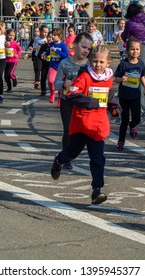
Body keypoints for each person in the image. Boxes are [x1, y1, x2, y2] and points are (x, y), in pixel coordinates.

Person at [50, 45, 120, 205]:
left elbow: (109, 96)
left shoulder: (109, 78)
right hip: (81, 124)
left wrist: (114, 107)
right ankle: (59, 161)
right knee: (71, 153)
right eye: (95, 61)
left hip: (98, 126)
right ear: (90, 61)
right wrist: (89, 101)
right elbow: (71, 95)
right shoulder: (85, 76)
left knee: (98, 159)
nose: (98, 65)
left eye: (101, 62)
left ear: (108, 63)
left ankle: (97, 191)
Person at [54, 32, 94, 169]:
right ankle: (66, 158)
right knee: (68, 130)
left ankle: (88, 155)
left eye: (88, 49)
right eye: (83, 47)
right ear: (75, 45)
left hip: (83, 102)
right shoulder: (65, 63)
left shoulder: (90, 65)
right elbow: (56, 83)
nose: (86, 51)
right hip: (67, 100)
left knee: (85, 131)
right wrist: (63, 84)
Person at [114, 38, 145, 151]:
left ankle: (133, 125)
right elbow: (116, 79)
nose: (135, 52)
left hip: (135, 96)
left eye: (137, 49)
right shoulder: (123, 64)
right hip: (124, 96)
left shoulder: (141, 64)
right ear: (127, 50)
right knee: (124, 120)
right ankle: (121, 141)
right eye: (132, 49)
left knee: (137, 119)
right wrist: (121, 79)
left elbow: (142, 76)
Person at [42, 27, 69, 104]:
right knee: (50, 81)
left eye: (54, 35)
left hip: (61, 67)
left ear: (59, 36)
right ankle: (52, 93)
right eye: (52, 35)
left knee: (60, 83)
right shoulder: (51, 44)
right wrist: (45, 54)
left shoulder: (62, 45)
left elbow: (66, 55)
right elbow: (48, 52)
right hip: (52, 66)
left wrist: (57, 51)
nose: (52, 37)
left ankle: (60, 99)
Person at [31, 25, 48, 91]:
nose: (45, 34)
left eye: (47, 32)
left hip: (45, 56)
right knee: (37, 68)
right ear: (40, 32)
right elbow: (34, 46)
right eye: (44, 32)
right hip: (37, 55)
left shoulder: (47, 39)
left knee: (44, 70)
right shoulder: (36, 38)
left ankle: (44, 82)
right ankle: (37, 81)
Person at [4, 28, 22, 93]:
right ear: (7, 35)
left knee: (10, 73)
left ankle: (14, 78)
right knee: (6, 76)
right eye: (10, 35)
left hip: (13, 61)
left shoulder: (15, 43)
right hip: (6, 61)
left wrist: (18, 55)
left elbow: (19, 50)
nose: (11, 37)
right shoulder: (5, 43)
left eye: (13, 36)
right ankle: (9, 87)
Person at [38, 31, 53, 96]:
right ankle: (43, 90)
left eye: (52, 38)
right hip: (45, 64)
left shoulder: (55, 46)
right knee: (43, 77)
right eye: (49, 37)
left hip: (53, 65)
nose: (50, 39)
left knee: (52, 78)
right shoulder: (44, 46)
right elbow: (39, 54)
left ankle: (53, 89)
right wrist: (42, 56)